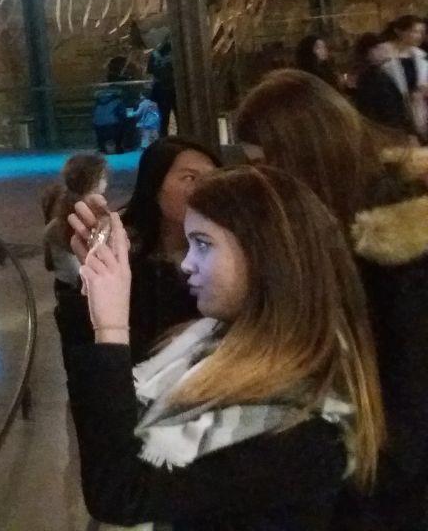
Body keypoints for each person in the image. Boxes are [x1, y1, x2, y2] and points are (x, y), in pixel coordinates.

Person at [65, 166, 384, 530]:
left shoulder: (303, 423)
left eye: (203, 244)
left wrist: (110, 328)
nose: (187, 264)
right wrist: (92, 288)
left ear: (266, 256)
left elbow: (122, 493)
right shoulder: (215, 341)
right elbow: (115, 426)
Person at [232, 69, 428, 531]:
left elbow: (411, 388)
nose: (263, 180)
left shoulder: (398, 242)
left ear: (305, 154)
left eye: (267, 163)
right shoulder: (337, 218)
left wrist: (362, 480)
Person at [57, 137, 219, 362]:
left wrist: (202, 331)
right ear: (154, 186)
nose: (205, 188)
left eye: (212, 178)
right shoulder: (126, 252)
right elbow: (85, 351)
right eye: (190, 177)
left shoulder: (228, 257)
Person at [39, 152, 108, 290]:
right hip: (79, 286)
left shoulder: (64, 203)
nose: (106, 181)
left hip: (64, 282)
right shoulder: (87, 210)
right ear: (93, 181)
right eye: (103, 177)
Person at [351, 31, 415, 139]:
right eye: (378, 48)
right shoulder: (370, 77)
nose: (384, 51)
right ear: (368, 52)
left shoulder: (380, 72)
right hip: (386, 130)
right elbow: (380, 106)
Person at [382, 15, 427, 141]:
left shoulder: (421, 56)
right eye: (414, 31)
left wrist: (422, 91)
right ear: (399, 31)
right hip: (392, 113)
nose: (419, 36)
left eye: (421, 32)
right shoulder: (382, 55)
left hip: (416, 113)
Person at [147, 37, 176, 136]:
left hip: (161, 90)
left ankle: (163, 139)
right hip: (174, 89)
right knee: (180, 117)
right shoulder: (175, 54)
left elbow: (150, 71)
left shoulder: (155, 54)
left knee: (163, 118)